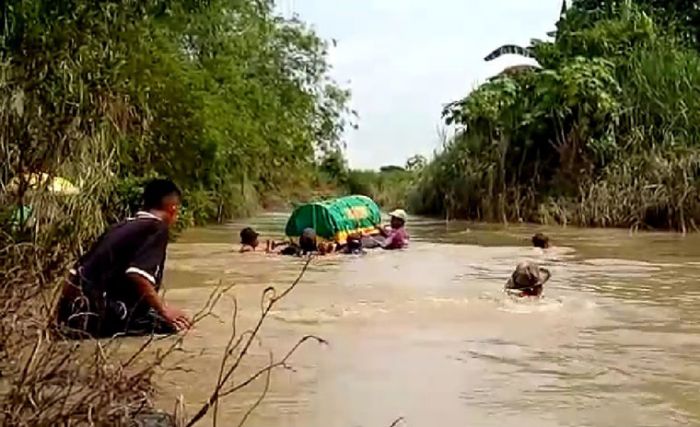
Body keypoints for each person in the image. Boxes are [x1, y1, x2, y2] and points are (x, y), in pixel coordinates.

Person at [55, 179, 192, 338]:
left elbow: (73, 275)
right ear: (172, 208)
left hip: (72, 315)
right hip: (102, 315)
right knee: (179, 328)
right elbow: (138, 275)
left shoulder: (119, 227)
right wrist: (164, 309)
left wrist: (57, 318)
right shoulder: (156, 228)